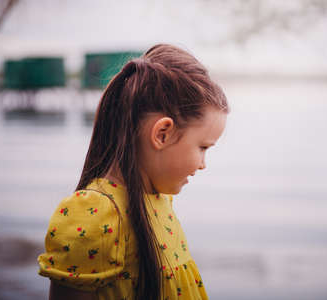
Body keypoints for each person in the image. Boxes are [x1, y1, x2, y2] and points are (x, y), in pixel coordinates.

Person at [37, 44, 229, 300]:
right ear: (162, 133)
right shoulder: (96, 217)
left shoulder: (158, 199)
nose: (203, 163)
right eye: (203, 147)